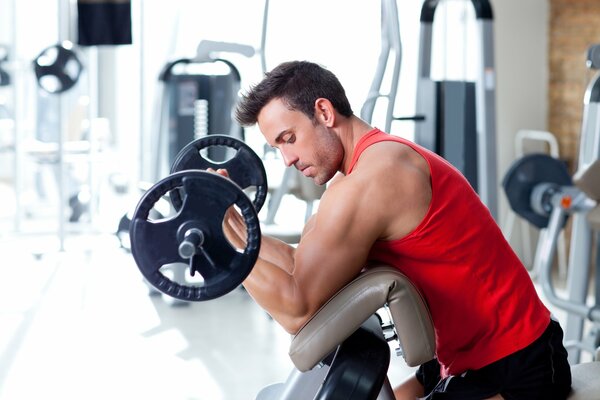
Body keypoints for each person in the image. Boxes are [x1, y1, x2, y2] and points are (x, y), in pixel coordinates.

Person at [221, 60, 571, 399]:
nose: (287, 159)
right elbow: (302, 265)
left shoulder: (374, 180)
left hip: (516, 364)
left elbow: (297, 312)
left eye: (289, 138)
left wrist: (216, 252)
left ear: (324, 113)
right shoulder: (361, 171)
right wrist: (228, 224)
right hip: (459, 357)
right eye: (277, 147)